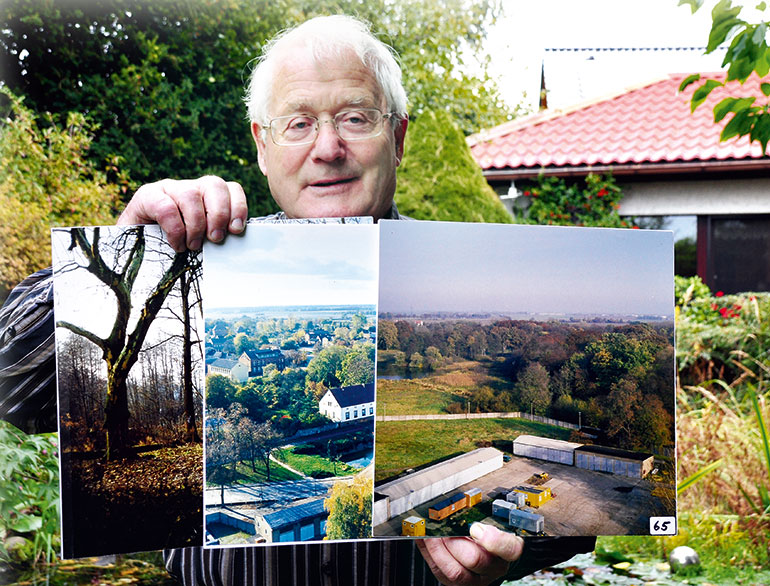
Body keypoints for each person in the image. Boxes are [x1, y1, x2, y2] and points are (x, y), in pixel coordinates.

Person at [0, 15, 595, 586]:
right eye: (298, 123)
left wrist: (513, 549)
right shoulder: (188, 264)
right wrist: (123, 260)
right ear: (263, 146)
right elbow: (11, 391)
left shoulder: (470, 283)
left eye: (356, 118)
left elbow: (574, 509)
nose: (328, 147)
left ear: (399, 136)